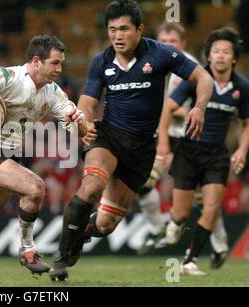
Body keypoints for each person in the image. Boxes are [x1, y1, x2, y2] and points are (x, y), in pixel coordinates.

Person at [49, 0, 214, 282]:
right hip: (108, 137)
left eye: (124, 29)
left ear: (140, 29)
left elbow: (203, 78)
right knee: (91, 187)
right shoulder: (101, 61)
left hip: (142, 149)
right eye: (112, 30)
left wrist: (198, 107)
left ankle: (80, 233)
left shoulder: (161, 54)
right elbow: (87, 102)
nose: (117, 36)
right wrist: (84, 120)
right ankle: (61, 259)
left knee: (106, 224)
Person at [0, 34, 88, 286]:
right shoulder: (6, 77)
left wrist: (81, 125)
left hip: (7, 153)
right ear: (36, 61)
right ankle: (27, 250)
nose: (59, 69)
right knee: (35, 188)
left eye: (61, 64)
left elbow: (78, 128)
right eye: (54, 63)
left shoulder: (53, 93)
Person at [158, 27, 249, 275]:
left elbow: (246, 123)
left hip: (217, 155)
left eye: (225, 52)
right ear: (208, 56)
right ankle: (175, 222)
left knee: (210, 208)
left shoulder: (242, 86)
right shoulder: (196, 80)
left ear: (233, 57)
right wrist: (163, 144)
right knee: (181, 213)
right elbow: (168, 108)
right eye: (215, 51)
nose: (220, 56)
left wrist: (241, 149)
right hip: (188, 151)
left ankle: (189, 261)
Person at [137, 22, 230, 264]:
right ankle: (157, 227)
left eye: (173, 42)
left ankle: (219, 243)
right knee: (143, 182)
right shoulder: (148, 61)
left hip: (187, 137)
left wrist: (163, 110)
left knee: (202, 198)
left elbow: (186, 107)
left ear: (183, 44)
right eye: (164, 42)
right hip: (161, 134)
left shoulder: (189, 67)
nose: (168, 46)